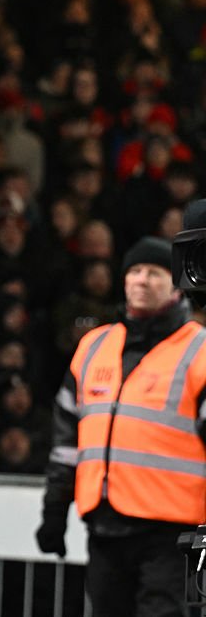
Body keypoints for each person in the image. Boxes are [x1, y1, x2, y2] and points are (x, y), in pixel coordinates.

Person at [35, 235, 206, 616]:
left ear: (177, 285)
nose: (142, 280)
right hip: (106, 525)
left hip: (173, 530)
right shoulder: (93, 347)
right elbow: (66, 443)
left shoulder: (200, 351)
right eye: (135, 271)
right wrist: (54, 510)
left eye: (155, 273)